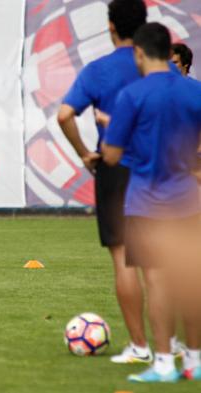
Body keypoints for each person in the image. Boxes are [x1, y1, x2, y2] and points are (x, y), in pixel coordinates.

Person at [56, 0, 166, 364]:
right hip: (159, 167)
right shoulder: (159, 68)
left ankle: (139, 346)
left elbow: (64, 114)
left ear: (110, 26)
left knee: (123, 259)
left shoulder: (99, 70)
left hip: (116, 168)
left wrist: (85, 153)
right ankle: (174, 346)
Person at [102, 22, 201, 383]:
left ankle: (162, 362)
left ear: (140, 53)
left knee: (157, 283)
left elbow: (112, 155)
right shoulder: (195, 92)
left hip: (146, 202)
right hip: (190, 201)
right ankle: (195, 359)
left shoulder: (133, 95)